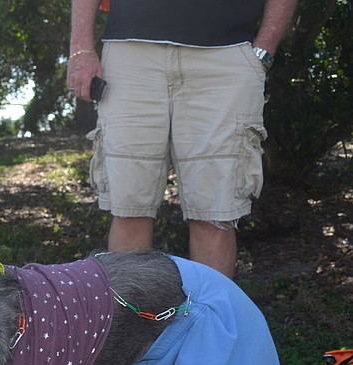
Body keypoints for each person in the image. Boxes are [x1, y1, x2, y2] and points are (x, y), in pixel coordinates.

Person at [66, 0, 298, 279]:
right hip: (131, 56)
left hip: (225, 58)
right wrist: (80, 49)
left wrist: (264, 51)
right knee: (129, 208)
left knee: (215, 214)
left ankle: (209, 321)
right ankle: (134, 322)